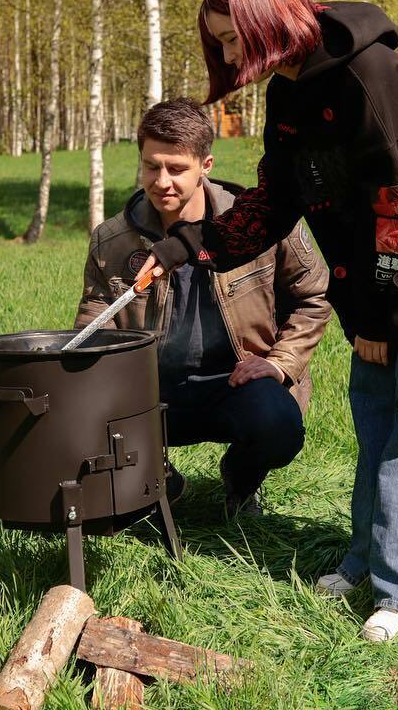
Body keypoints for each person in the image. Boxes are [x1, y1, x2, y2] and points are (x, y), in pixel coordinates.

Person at [140, 0, 398, 642]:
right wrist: (184, 249)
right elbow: (276, 196)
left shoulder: (368, 77)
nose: (225, 51)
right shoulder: (290, 90)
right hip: (373, 279)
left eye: (229, 35)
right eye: (217, 41)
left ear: (265, 18)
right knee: (377, 423)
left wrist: (385, 318)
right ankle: (372, 560)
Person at [75, 97, 331, 518]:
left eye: (176, 168)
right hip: (150, 391)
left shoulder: (260, 221)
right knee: (80, 410)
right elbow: (94, 323)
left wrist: (281, 363)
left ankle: (240, 480)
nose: (161, 181)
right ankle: (163, 484)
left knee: (277, 426)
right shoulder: (112, 240)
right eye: (151, 166)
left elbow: (314, 294)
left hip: (237, 381)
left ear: (205, 165)